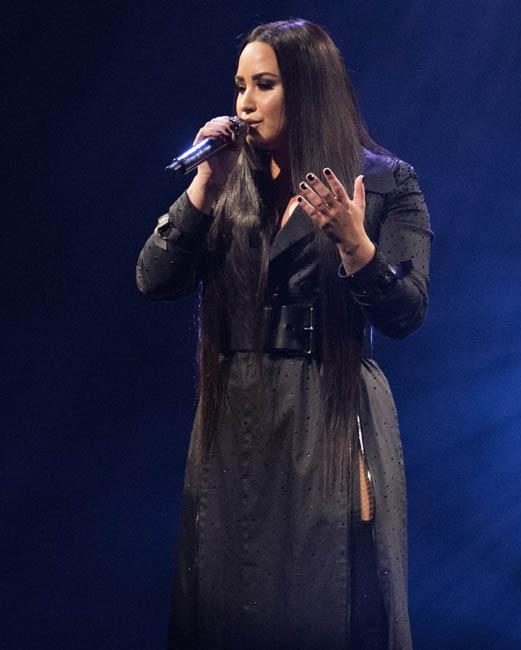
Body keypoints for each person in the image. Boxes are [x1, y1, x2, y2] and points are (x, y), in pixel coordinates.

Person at [136, 18, 432, 650]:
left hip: (329, 410)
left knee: (328, 598)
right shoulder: (229, 180)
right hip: (237, 417)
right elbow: (154, 279)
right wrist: (203, 188)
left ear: (307, 89)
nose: (244, 103)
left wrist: (355, 245)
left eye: (264, 84)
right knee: (230, 598)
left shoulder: (384, 182)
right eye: (240, 86)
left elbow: (406, 313)